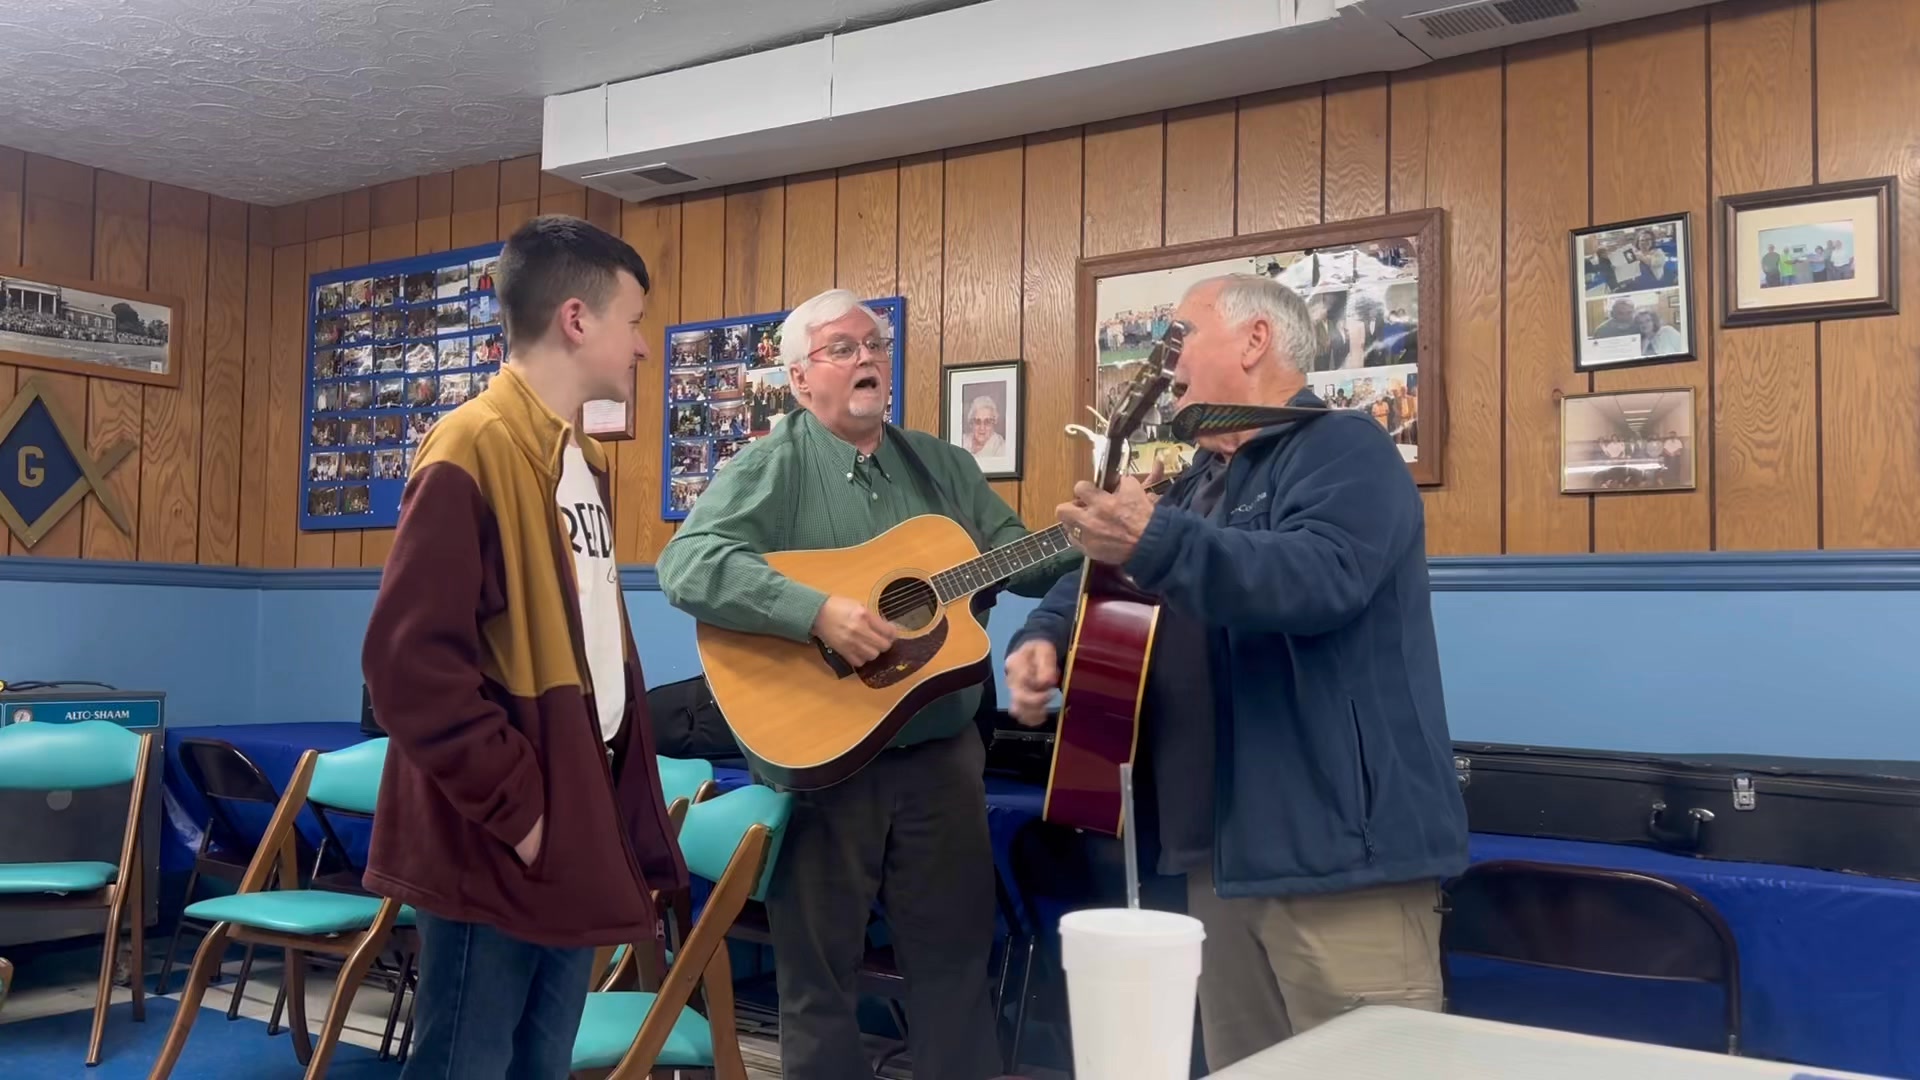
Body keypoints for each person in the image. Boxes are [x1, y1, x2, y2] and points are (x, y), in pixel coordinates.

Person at [1004, 272, 1469, 1072]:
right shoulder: (1194, 484)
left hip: (1336, 862)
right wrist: (1045, 637)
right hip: (1215, 860)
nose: (1165, 360)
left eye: (1181, 335)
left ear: (1255, 341)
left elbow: (1320, 578)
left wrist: (1153, 539)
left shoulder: (1346, 447)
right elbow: (1101, 582)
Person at [656, 287, 1073, 1080]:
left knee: (956, 971)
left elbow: (1023, 555)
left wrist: (1088, 535)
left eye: (875, 345)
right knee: (820, 983)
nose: (867, 360)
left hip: (943, 757)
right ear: (799, 378)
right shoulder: (770, 466)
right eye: (841, 349)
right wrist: (815, 612)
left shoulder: (941, 465)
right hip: (827, 759)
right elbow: (688, 565)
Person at [362, 215, 688, 1080]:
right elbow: (408, 669)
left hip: (569, 823)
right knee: (466, 1064)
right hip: (502, 837)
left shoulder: (578, 457)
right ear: (577, 320)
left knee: (539, 1067)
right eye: (635, 320)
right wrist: (526, 813)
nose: (643, 347)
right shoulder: (470, 444)